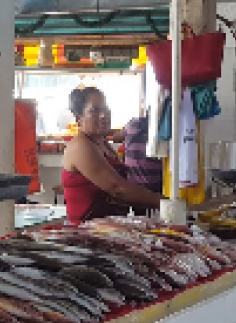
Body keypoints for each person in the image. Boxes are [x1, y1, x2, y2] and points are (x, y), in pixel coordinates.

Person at [62, 87, 162, 223]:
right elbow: (117, 188)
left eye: (106, 109)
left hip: (107, 229)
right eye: (95, 111)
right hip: (84, 234)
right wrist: (163, 202)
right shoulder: (80, 146)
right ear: (79, 118)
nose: (104, 115)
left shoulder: (103, 143)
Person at [113, 116, 163, 215]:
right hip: (157, 184)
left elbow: (115, 138)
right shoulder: (163, 125)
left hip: (135, 187)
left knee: (140, 216)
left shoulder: (133, 123)